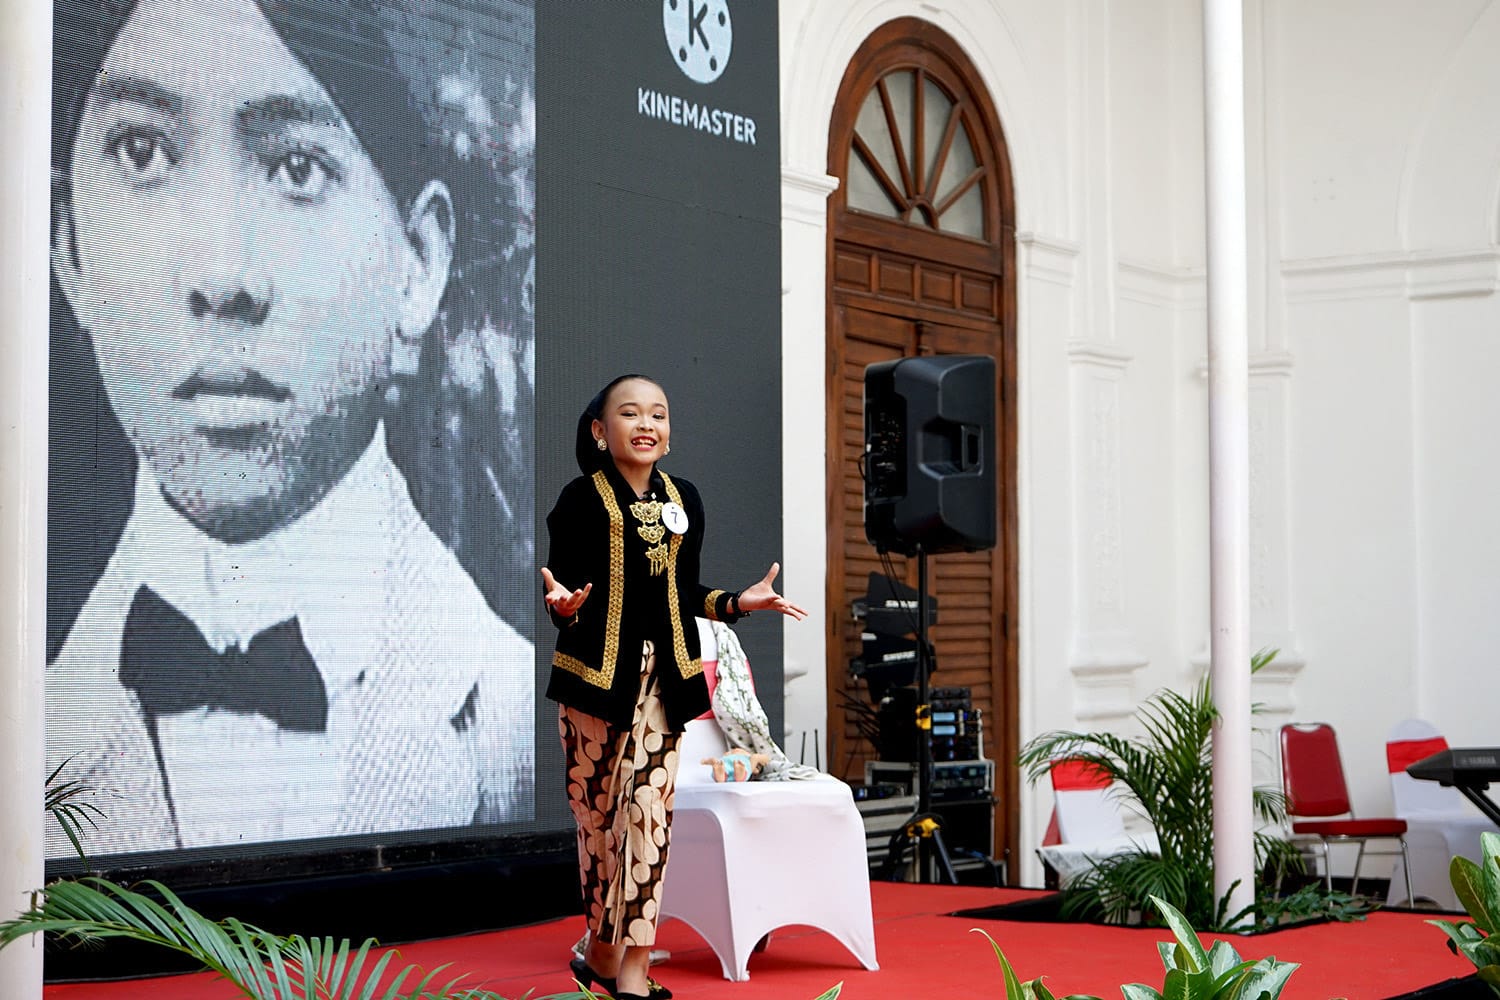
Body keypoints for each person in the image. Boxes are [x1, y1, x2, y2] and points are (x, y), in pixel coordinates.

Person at [44, 0, 535, 859]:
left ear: (418, 265)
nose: (221, 274)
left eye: (298, 168)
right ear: (68, 244)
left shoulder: (513, 714)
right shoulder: (35, 715)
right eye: (144, 152)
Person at [541, 374, 806, 1000]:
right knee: (599, 825)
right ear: (600, 432)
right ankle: (603, 954)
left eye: (658, 413)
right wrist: (564, 607)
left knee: (649, 822)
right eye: (630, 413)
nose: (647, 424)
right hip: (594, 686)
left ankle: (632, 973)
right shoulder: (579, 500)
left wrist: (737, 601)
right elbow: (563, 589)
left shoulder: (683, 498)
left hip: (666, 684)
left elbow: (684, 595)